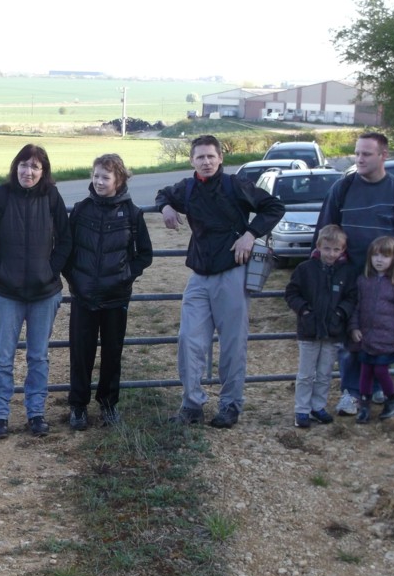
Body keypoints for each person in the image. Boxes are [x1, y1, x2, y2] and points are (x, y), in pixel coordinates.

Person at [155, 135, 285, 428]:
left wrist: (250, 235)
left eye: (211, 156)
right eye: (200, 157)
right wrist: (165, 207)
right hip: (199, 275)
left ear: (220, 159)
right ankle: (192, 405)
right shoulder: (187, 188)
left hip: (232, 272)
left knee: (232, 344)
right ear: (192, 161)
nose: (206, 162)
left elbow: (274, 207)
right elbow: (163, 193)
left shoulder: (235, 185)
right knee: (188, 340)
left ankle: (229, 405)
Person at [315, 131, 394, 416]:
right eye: (357, 153)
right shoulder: (343, 188)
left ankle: (374, 387)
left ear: (384, 155)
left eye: (366, 154)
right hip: (349, 277)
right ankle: (350, 392)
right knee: (352, 336)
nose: (359, 159)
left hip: (386, 279)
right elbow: (325, 231)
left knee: (382, 331)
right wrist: (322, 271)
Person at [0, 144, 72, 439]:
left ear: (43, 171)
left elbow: (66, 241)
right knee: (3, 356)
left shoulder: (52, 196)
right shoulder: (0, 195)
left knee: (38, 357)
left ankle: (36, 413)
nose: (27, 171)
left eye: (34, 167)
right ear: (15, 166)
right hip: (6, 293)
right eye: (23, 164)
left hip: (44, 293)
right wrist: (0, 272)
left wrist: (50, 271)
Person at [63, 153, 153, 430]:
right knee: (81, 355)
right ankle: (78, 407)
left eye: (106, 176)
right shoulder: (81, 210)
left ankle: (108, 405)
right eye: (96, 176)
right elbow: (66, 249)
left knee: (112, 354)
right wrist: (75, 279)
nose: (99, 182)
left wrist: (124, 277)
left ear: (119, 179)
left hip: (116, 297)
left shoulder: (132, 213)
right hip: (83, 296)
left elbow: (145, 254)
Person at [284, 224, 358, 429]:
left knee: (325, 373)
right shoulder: (305, 269)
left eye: (336, 249)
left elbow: (352, 297)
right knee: (306, 373)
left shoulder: (347, 272)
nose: (331, 254)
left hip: (333, 331)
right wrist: (304, 311)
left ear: (343, 250)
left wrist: (340, 313)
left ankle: (318, 406)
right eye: (327, 248)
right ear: (318, 246)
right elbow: (291, 293)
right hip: (309, 330)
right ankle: (302, 409)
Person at [349, 236, 394, 423]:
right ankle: (364, 406)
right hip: (366, 338)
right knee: (365, 371)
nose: (379, 260)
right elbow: (356, 307)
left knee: (381, 370)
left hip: (387, 339)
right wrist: (354, 327)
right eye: (375, 255)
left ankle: (391, 401)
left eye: (385, 256)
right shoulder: (363, 281)